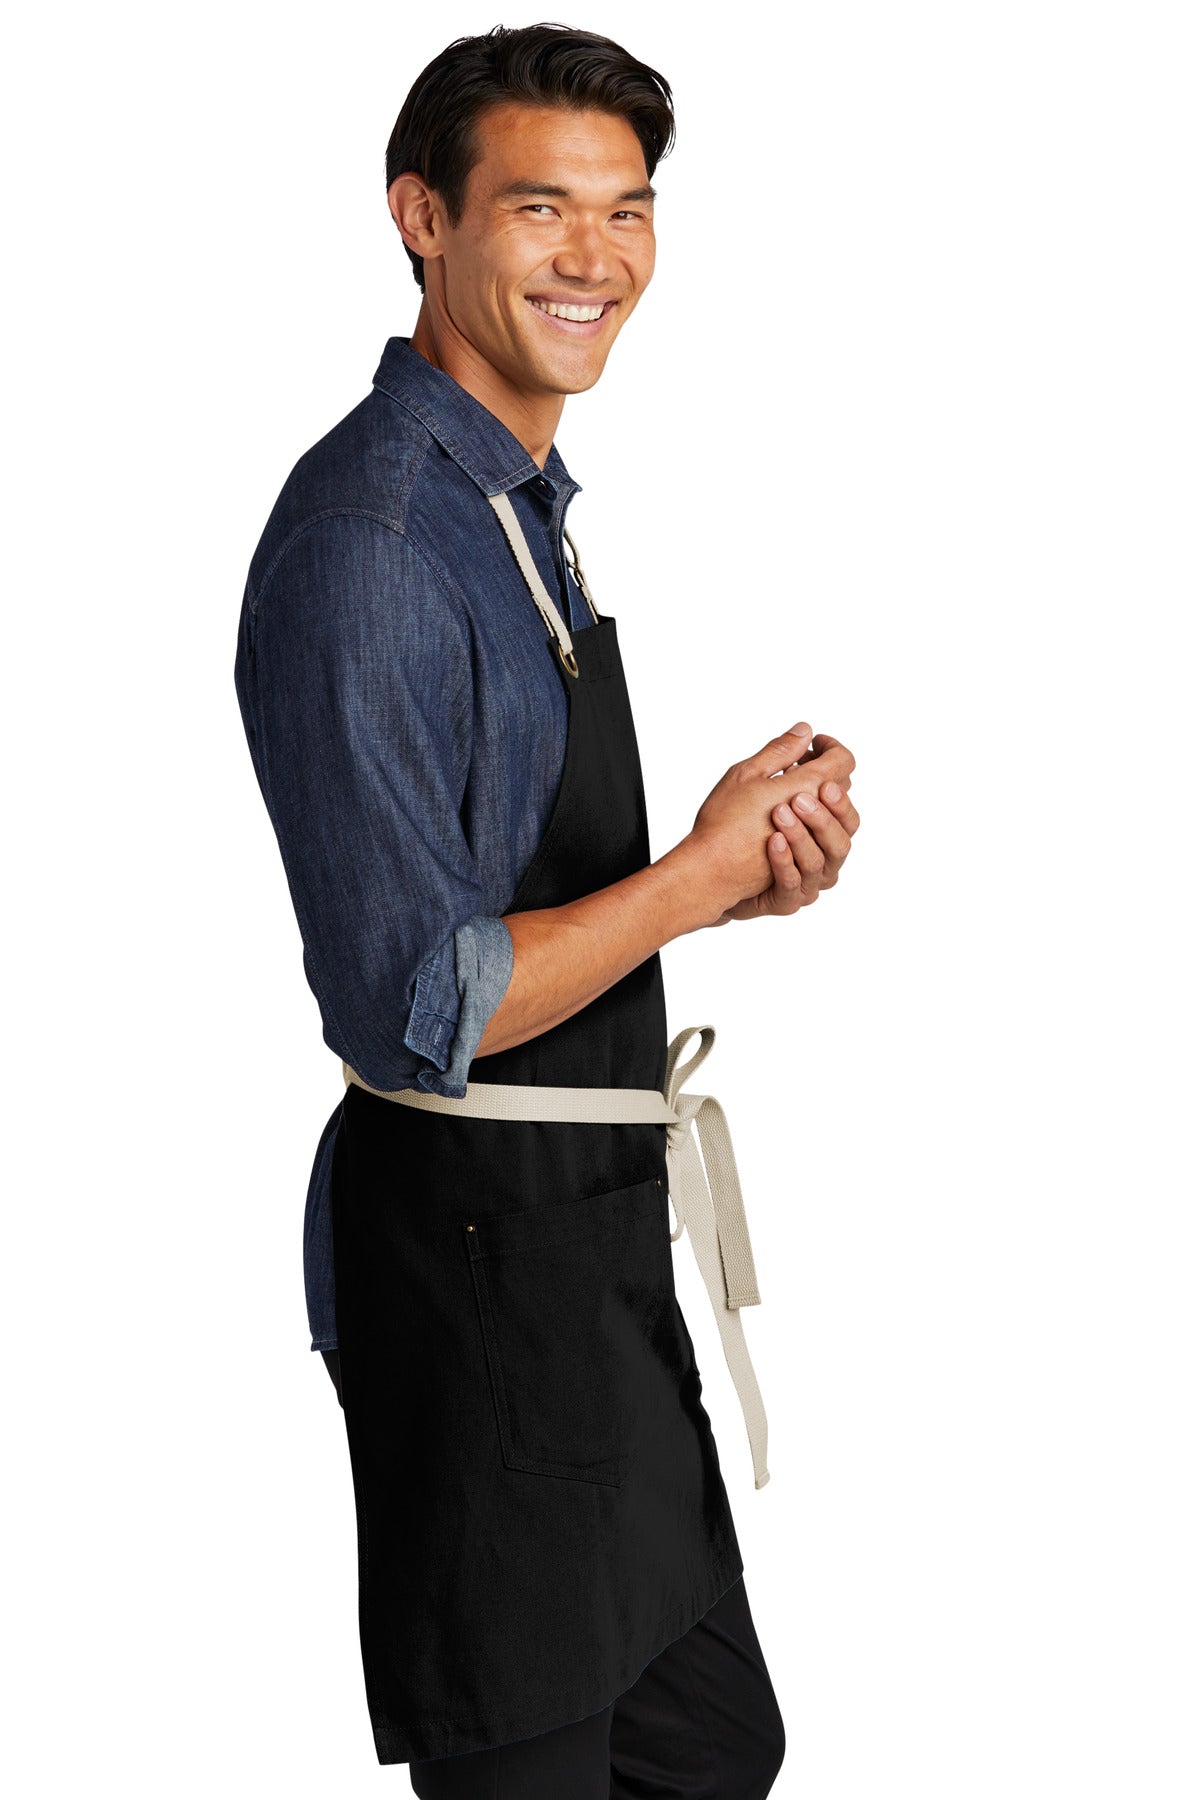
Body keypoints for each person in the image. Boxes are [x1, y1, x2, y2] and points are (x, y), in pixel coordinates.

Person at [233, 23, 859, 1798]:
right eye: (539, 207)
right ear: (421, 218)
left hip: (585, 1257)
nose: (596, 257)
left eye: (627, 210)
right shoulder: (374, 541)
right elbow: (416, 1004)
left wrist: (728, 882)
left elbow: (531, 899)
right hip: (474, 1286)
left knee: (709, 1748)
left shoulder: (513, 507)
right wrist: (690, 877)